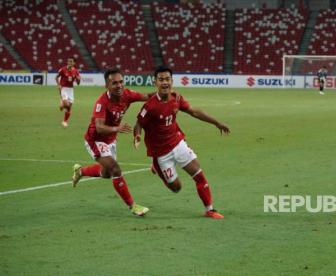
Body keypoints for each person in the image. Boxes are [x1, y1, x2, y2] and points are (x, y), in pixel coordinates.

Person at [133, 66, 230, 219]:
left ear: (172, 81)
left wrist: (216, 123)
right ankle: (157, 167)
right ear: (155, 82)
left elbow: (194, 111)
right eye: (161, 80)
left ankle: (209, 209)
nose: (165, 83)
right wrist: (137, 136)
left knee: (199, 174)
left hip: (178, 144)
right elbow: (138, 124)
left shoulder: (176, 98)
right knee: (176, 188)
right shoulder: (150, 106)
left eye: (167, 79)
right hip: (160, 154)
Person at [72, 68, 154, 216]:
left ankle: (81, 171)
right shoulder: (102, 102)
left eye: (121, 81)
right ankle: (133, 206)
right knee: (115, 169)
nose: (119, 85)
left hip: (110, 140)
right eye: (114, 83)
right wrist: (118, 128)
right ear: (107, 85)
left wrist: (163, 93)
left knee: (107, 174)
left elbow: (147, 96)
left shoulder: (127, 94)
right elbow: (99, 127)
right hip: (95, 140)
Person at [55, 57, 81, 127]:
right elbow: (56, 77)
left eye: (71, 62)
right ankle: (63, 102)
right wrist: (58, 85)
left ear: (74, 63)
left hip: (71, 90)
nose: (69, 63)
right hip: (63, 88)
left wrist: (78, 79)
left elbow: (78, 83)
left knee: (69, 107)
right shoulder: (63, 69)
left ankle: (64, 121)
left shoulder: (76, 71)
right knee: (66, 104)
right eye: (68, 61)